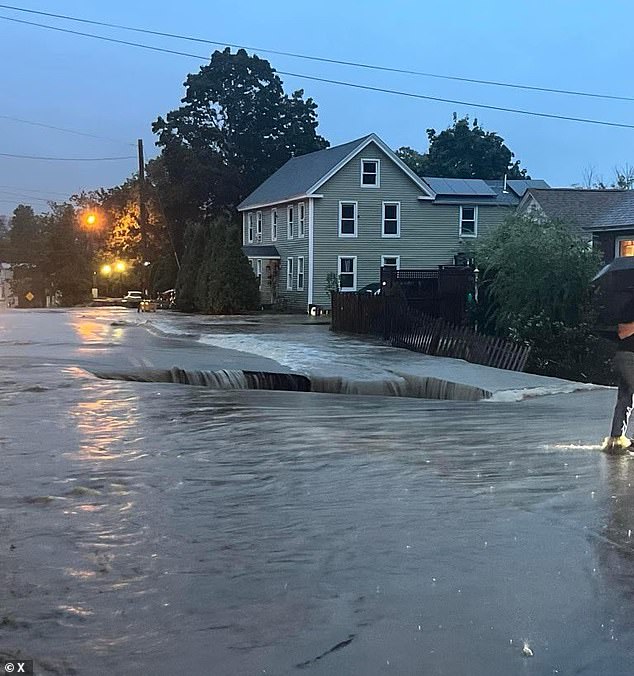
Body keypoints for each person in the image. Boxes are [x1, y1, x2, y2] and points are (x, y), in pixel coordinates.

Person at [603, 320, 634, 454]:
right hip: (627, 356)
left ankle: (616, 439)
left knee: (625, 398)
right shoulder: (628, 309)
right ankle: (616, 440)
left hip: (627, 355)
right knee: (626, 397)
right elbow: (622, 332)